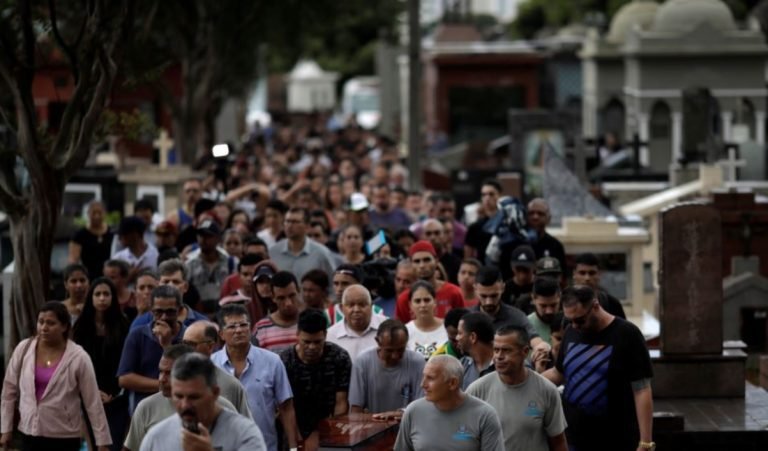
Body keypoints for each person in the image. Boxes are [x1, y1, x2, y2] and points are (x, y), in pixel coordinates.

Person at [543, 286, 654, 451]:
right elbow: (558, 373)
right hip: (573, 436)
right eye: (570, 320)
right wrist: (527, 379)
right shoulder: (570, 332)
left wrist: (645, 442)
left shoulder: (627, 334)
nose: (575, 326)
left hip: (616, 438)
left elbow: (642, 389)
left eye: (580, 320)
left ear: (595, 306)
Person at [1, 302, 111, 451]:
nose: (44, 328)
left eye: (51, 323)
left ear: (64, 326)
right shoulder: (24, 349)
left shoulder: (79, 357)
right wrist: (6, 429)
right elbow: (9, 391)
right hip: (28, 433)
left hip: (64, 437)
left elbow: (93, 402)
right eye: (41, 322)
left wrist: (102, 442)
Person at [211, 304, 298, 451]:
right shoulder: (210, 365)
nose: (238, 330)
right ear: (221, 334)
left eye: (243, 325)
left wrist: (293, 447)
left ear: (250, 329)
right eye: (232, 327)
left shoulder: (272, 361)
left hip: (264, 445)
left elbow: (286, 408)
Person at [122, 344, 243, 451]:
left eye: (169, 373)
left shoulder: (223, 408)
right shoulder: (146, 408)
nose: (161, 379)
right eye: (161, 371)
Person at [466, 326, 567, 451]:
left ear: (525, 352)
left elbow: (558, 442)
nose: (499, 356)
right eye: (496, 350)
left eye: (506, 350)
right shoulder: (477, 390)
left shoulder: (547, 390)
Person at [139, 353, 266, 451]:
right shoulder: (156, 437)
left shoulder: (244, 434)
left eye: (194, 397)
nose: (185, 405)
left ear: (215, 393)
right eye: (178, 396)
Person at [394, 355, 504, 451]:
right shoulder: (413, 411)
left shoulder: (485, 415)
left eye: (430, 378)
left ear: (452, 383)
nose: (423, 384)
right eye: (424, 376)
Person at [279, 309, 352, 448]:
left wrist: (330, 436)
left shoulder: (339, 358)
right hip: (293, 427)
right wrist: (296, 440)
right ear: (297, 335)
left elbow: (341, 402)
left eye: (318, 342)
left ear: (325, 334)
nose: (312, 347)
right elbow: (284, 406)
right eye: (306, 342)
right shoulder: (284, 361)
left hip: (330, 426)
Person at [72, 277, 130, 451]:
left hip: (116, 396)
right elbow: (77, 363)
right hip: (88, 394)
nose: (102, 298)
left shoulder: (123, 324)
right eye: (98, 294)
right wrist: (91, 392)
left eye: (106, 294)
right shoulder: (81, 326)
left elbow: (125, 362)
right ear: (91, 297)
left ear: (113, 297)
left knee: (113, 443)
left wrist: (112, 393)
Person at [118, 285, 187, 410]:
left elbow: (190, 375)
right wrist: (164, 385)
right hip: (145, 409)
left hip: (179, 408)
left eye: (170, 312)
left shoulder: (189, 336)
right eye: (159, 312)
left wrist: (167, 345)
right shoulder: (137, 335)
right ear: (151, 311)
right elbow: (125, 378)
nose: (164, 317)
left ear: (180, 310)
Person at [349, 319, 425, 419]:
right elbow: (355, 409)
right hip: (373, 428)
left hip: (408, 427)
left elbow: (423, 404)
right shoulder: (362, 362)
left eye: (400, 350)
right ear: (378, 342)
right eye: (389, 350)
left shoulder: (417, 361)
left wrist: (397, 415)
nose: (395, 356)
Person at [473, 267, 551, 359]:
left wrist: (541, 346)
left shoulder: (516, 317)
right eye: (483, 296)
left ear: (503, 288)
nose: (488, 302)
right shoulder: (467, 318)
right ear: (475, 289)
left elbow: (534, 338)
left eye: (494, 295)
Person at [181, 321, 252, 417]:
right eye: (184, 343)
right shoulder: (174, 380)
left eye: (191, 344)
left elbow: (244, 426)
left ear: (210, 346)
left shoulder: (231, 386)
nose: (185, 349)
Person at [395, 241, 465, 322]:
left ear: (436, 261)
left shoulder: (454, 293)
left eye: (427, 260)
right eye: (417, 261)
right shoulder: (404, 299)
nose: (422, 265)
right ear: (411, 264)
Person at [130, 259, 207, 331]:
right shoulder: (140, 324)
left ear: (185, 287)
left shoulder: (202, 323)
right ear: (158, 285)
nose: (170, 286)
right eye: (166, 282)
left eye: (176, 282)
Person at [269, 207, 336, 282]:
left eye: (295, 222)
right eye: (287, 221)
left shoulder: (321, 253)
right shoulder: (273, 252)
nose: (290, 225)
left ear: (307, 226)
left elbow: (332, 283)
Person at [186, 219, 235, 314]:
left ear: (218, 239)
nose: (203, 239)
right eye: (200, 235)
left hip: (225, 311)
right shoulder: (190, 263)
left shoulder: (230, 261)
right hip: (198, 313)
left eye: (208, 236)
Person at [327, 284, 385, 361]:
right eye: (351, 305)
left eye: (362, 305)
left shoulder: (387, 328)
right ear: (342, 308)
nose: (356, 310)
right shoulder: (331, 336)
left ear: (371, 306)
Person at [253, 270, 303, 352]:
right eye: (281, 298)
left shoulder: (312, 322)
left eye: (292, 296)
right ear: (273, 297)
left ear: (299, 291)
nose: (288, 303)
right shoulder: (261, 328)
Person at [68, 200, 114, 284]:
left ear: (105, 213)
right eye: (94, 213)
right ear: (88, 213)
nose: (96, 216)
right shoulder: (79, 235)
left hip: (109, 278)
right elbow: (73, 260)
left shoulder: (112, 233)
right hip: (88, 279)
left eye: (99, 213)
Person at [572, 253, 627, 319]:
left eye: (592, 273)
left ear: (599, 274)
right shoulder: (562, 303)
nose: (587, 278)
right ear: (574, 274)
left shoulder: (612, 304)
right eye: (582, 273)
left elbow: (623, 328)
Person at [404, 281, 448, 360]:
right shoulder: (405, 331)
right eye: (417, 301)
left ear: (435, 302)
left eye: (427, 300)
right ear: (410, 305)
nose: (423, 305)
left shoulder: (447, 327)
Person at [455, 312, 496, 389]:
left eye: (460, 333)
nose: (457, 338)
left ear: (473, 337)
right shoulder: (461, 365)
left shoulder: (504, 365)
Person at [464, 179, 501, 263]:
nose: (487, 198)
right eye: (484, 195)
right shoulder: (474, 227)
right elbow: (468, 258)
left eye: (491, 194)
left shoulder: (506, 224)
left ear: (499, 196)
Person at [527, 198, 566, 273]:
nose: (535, 217)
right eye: (531, 213)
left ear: (549, 219)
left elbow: (562, 277)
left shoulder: (556, 246)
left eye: (540, 213)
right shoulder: (517, 243)